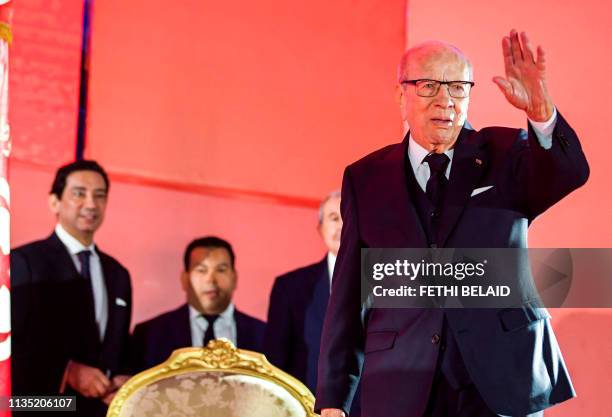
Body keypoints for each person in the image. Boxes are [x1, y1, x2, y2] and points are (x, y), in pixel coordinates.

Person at [315, 31, 589, 417]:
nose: (445, 100)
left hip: (500, 377)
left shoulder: (508, 154)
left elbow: (569, 173)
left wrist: (542, 113)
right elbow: (348, 295)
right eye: (429, 86)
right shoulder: (365, 178)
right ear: (401, 96)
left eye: (458, 87)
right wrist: (332, 400)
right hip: (403, 381)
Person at [11, 160, 132, 417]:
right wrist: (67, 371)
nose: (91, 204)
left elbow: (117, 347)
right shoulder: (23, 262)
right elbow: (10, 344)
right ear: (54, 201)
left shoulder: (118, 274)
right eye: (79, 194)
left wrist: (124, 381)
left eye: (99, 196)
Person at [130, 236, 265, 373]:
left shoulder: (264, 334)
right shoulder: (149, 334)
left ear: (234, 277)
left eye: (221, 270)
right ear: (185, 279)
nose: (211, 280)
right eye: (201, 270)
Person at [264, 191, 343, 392]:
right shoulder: (289, 287)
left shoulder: (389, 281)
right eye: (334, 218)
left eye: (350, 217)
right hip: (308, 405)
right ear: (320, 229)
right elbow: (276, 362)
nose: (343, 225)